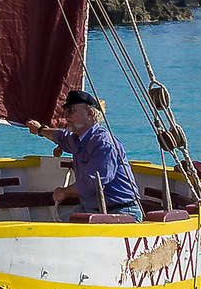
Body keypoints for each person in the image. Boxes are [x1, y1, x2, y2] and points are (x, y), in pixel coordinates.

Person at [22, 89, 140, 220]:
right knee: (52, 228)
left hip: (120, 213)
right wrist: (40, 130)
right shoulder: (76, 138)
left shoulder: (103, 143)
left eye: (71, 110)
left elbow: (92, 184)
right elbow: (60, 136)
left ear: (90, 113)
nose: (66, 115)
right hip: (90, 209)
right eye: (65, 109)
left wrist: (64, 193)